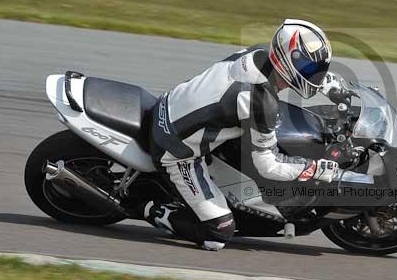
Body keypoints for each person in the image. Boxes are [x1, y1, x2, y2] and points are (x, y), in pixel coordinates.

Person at [144, 19, 343, 250]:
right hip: (175, 147)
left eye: (319, 69)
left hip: (174, 104)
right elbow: (267, 165)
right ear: (289, 63)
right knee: (218, 234)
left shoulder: (257, 52)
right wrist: (313, 168)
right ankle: (150, 209)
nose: (315, 75)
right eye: (310, 69)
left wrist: (327, 85)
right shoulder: (260, 100)